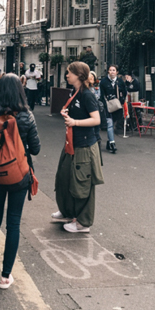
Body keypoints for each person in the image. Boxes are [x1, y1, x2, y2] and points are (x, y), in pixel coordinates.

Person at [0, 75, 40, 290]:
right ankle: (5, 276)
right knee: (13, 223)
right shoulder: (26, 115)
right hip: (19, 175)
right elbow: (37, 148)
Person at [52, 61, 104, 233]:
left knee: (82, 183)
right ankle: (68, 212)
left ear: (78, 75)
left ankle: (82, 222)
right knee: (65, 178)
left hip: (84, 145)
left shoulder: (87, 95)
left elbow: (96, 120)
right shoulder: (75, 92)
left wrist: (75, 122)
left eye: (69, 72)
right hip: (72, 143)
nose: (66, 75)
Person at [99, 65, 124, 154]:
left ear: (117, 72)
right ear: (108, 72)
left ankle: (109, 142)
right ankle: (112, 143)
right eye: (110, 70)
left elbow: (124, 92)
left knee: (113, 123)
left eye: (114, 70)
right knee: (109, 123)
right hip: (107, 106)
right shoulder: (103, 82)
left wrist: (120, 101)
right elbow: (101, 95)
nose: (112, 72)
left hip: (117, 106)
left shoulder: (120, 81)